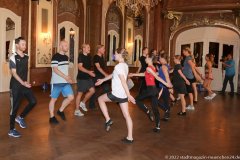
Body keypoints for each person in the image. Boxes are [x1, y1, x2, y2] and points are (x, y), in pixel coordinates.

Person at [96, 48, 135, 144]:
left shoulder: (118, 67)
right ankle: (130, 137)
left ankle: (108, 119)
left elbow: (123, 81)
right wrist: (102, 80)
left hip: (116, 93)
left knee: (100, 99)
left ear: (120, 55)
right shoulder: (125, 65)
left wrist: (129, 95)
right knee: (127, 116)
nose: (114, 55)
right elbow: (113, 75)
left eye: (115, 54)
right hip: (122, 95)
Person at [130, 56, 172, 132]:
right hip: (154, 90)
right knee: (155, 108)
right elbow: (145, 74)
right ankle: (158, 127)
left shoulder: (149, 68)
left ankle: (148, 112)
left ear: (150, 60)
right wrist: (134, 74)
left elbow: (157, 77)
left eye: (147, 58)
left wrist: (166, 84)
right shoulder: (152, 67)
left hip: (150, 89)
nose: (145, 58)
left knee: (136, 100)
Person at [8, 37, 37, 137]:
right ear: (17, 45)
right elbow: (14, 73)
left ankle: (20, 117)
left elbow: (24, 72)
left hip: (24, 84)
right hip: (15, 86)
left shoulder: (26, 57)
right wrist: (23, 83)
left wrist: (26, 82)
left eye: (25, 44)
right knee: (14, 108)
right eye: (23, 44)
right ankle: (11, 130)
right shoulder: (13, 57)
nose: (25, 46)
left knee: (33, 101)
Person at [49, 40, 74, 124]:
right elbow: (55, 70)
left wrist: (69, 77)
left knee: (71, 97)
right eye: (65, 45)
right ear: (60, 46)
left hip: (65, 82)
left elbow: (65, 70)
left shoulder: (66, 57)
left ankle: (60, 110)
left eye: (67, 45)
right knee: (53, 99)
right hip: (56, 82)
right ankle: (52, 117)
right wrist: (66, 77)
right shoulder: (55, 56)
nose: (67, 47)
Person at [75, 44, 95, 116]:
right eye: (88, 47)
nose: (89, 48)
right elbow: (80, 67)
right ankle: (77, 110)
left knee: (92, 91)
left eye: (89, 47)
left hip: (88, 77)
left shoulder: (89, 56)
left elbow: (89, 66)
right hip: (81, 78)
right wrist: (89, 72)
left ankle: (83, 102)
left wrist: (91, 72)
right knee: (80, 94)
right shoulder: (81, 56)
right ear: (83, 49)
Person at [89, 45, 109, 109]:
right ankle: (91, 105)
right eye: (103, 49)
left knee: (106, 89)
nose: (104, 50)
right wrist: (105, 74)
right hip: (97, 76)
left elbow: (103, 67)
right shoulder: (96, 57)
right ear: (99, 49)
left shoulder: (102, 57)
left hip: (102, 76)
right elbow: (98, 67)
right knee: (94, 91)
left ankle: (100, 99)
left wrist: (105, 74)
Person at [158, 53, 172, 121]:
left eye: (160, 58)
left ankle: (167, 111)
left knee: (156, 100)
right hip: (164, 86)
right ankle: (167, 115)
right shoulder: (167, 65)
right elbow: (160, 74)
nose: (159, 59)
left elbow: (167, 77)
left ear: (163, 59)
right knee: (166, 101)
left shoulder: (163, 66)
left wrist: (170, 87)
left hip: (163, 86)